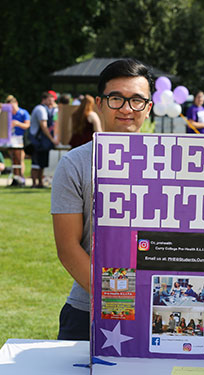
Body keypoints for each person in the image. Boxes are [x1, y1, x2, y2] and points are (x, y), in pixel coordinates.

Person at [51, 59, 153, 341]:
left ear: (148, 107)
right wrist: (119, 301)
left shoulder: (173, 163)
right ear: (99, 103)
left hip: (156, 313)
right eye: (116, 98)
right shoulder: (74, 164)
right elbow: (68, 247)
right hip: (88, 312)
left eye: (136, 100)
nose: (126, 108)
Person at [30, 92, 59, 188]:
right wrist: (52, 139)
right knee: (36, 163)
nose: (52, 103)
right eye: (50, 100)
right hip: (37, 141)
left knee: (42, 163)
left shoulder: (49, 109)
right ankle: (35, 183)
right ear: (44, 99)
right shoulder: (40, 109)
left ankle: (40, 183)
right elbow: (44, 126)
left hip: (43, 141)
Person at [5, 95, 30, 186]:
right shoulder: (8, 114)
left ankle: (21, 177)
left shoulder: (23, 113)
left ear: (16, 103)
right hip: (11, 139)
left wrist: (17, 124)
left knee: (20, 159)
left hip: (21, 139)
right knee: (13, 159)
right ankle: (16, 178)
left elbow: (27, 125)